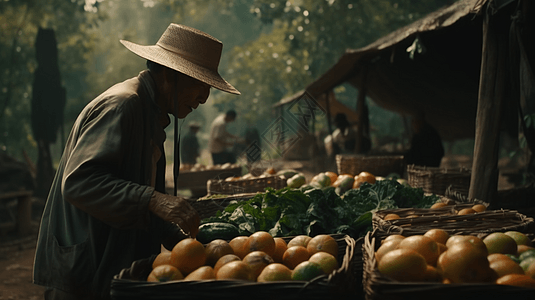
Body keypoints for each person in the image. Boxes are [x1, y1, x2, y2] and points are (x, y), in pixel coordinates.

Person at [33, 23, 240, 300]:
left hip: (110, 265)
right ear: (169, 74)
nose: (204, 98)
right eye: (200, 84)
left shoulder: (151, 112)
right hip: (86, 270)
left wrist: (182, 242)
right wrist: (154, 200)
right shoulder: (123, 105)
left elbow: (138, 196)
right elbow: (79, 183)